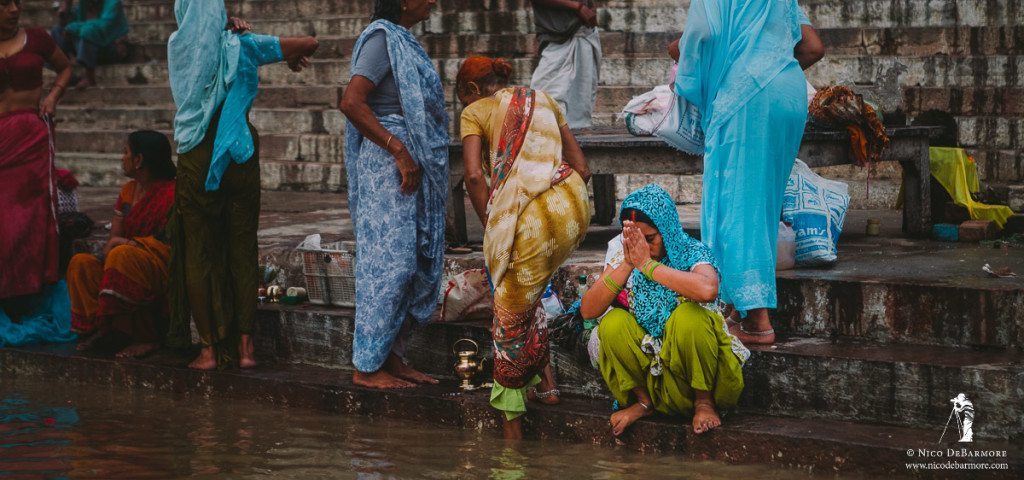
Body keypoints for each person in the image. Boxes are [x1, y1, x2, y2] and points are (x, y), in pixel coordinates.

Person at [165, 0, 319, 370]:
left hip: (196, 158)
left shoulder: (177, 48)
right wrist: (288, 56)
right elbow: (309, 43)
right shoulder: (239, 43)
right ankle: (247, 349)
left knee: (199, 253)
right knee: (241, 245)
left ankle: (208, 351)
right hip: (240, 154)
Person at [671, 0, 824, 344]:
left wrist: (685, 62)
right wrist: (770, 67)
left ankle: (758, 322)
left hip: (745, 96)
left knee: (740, 208)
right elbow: (813, 46)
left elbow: (703, 31)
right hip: (787, 90)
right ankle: (738, 309)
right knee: (762, 206)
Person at [456, 56, 593, 439]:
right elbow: (582, 167)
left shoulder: (475, 111)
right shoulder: (543, 97)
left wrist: (494, 227)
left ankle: (512, 447)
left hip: (531, 221)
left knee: (508, 325)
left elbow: (472, 176)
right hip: (573, 206)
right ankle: (547, 387)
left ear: (469, 91)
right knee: (530, 295)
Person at [338, 0, 448, 390]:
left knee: (415, 262)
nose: (434, 1)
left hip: (408, 161)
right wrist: (398, 150)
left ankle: (393, 359)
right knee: (390, 264)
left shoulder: (403, 40)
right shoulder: (382, 39)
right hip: (388, 164)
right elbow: (352, 101)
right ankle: (366, 368)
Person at [579, 184, 747, 436]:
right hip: (656, 378)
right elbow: (588, 310)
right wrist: (628, 262)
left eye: (650, 239)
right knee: (612, 323)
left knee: (689, 317)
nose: (643, 247)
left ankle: (703, 402)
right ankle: (644, 402)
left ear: (666, 230)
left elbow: (707, 289)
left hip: (698, 374)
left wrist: (647, 265)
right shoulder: (629, 257)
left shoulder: (692, 251)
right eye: (635, 240)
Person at [0, 0, 74, 342]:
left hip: (30, 136)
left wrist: (53, 97)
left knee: (25, 221)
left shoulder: (38, 39)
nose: (13, 9)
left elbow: (65, 68)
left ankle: (24, 295)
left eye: (16, 2)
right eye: (4, 4)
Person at [67, 130, 176, 358]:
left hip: (159, 268)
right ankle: (102, 331)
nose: (121, 157)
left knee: (122, 257)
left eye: (125, 152)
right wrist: (115, 248)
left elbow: (168, 244)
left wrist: (128, 246)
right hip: (125, 257)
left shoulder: (172, 194)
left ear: (139, 160)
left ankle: (147, 338)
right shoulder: (127, 192)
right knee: (81, 263)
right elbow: (112, 241)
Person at [528, 0, 601, 129]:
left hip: (583, 32)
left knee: (579, 109)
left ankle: (574, 140)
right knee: (543, 101)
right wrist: (578, 7)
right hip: (558, 35)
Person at [51, 0, 129, 88]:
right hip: (89, 49)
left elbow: (103, 25)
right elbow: (67, 27)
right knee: (57, 31)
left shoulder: (113, 3)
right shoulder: (84, 4)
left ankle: (90, 78)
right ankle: (66, 74)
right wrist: (66, 8)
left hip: (111, 49)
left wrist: (73, 27)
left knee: (88, 31)